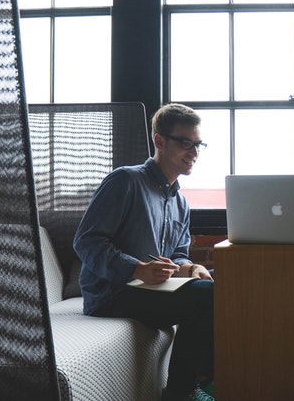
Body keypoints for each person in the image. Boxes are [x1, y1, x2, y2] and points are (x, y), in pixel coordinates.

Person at [73, 103, 215, 401]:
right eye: (185, 143)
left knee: (227, 282)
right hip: (112, 293)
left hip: (153, 289)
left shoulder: (181, 202)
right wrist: (137, 269)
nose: (194, 152)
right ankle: (181, 393)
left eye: (198, 144)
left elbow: (178, 253)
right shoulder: (126, 180)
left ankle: (206, 382)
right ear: (159, 141)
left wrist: (189, 268)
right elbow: (87, 241)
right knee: (210, 296)